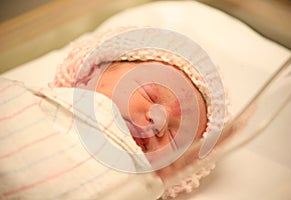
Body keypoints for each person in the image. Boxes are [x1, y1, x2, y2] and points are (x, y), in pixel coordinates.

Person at [50, 27, 229, 198]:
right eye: (149, 95)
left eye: (175, 140)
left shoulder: (132, 189)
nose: (159, 122)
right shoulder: (43, 104)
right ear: (89, 75)